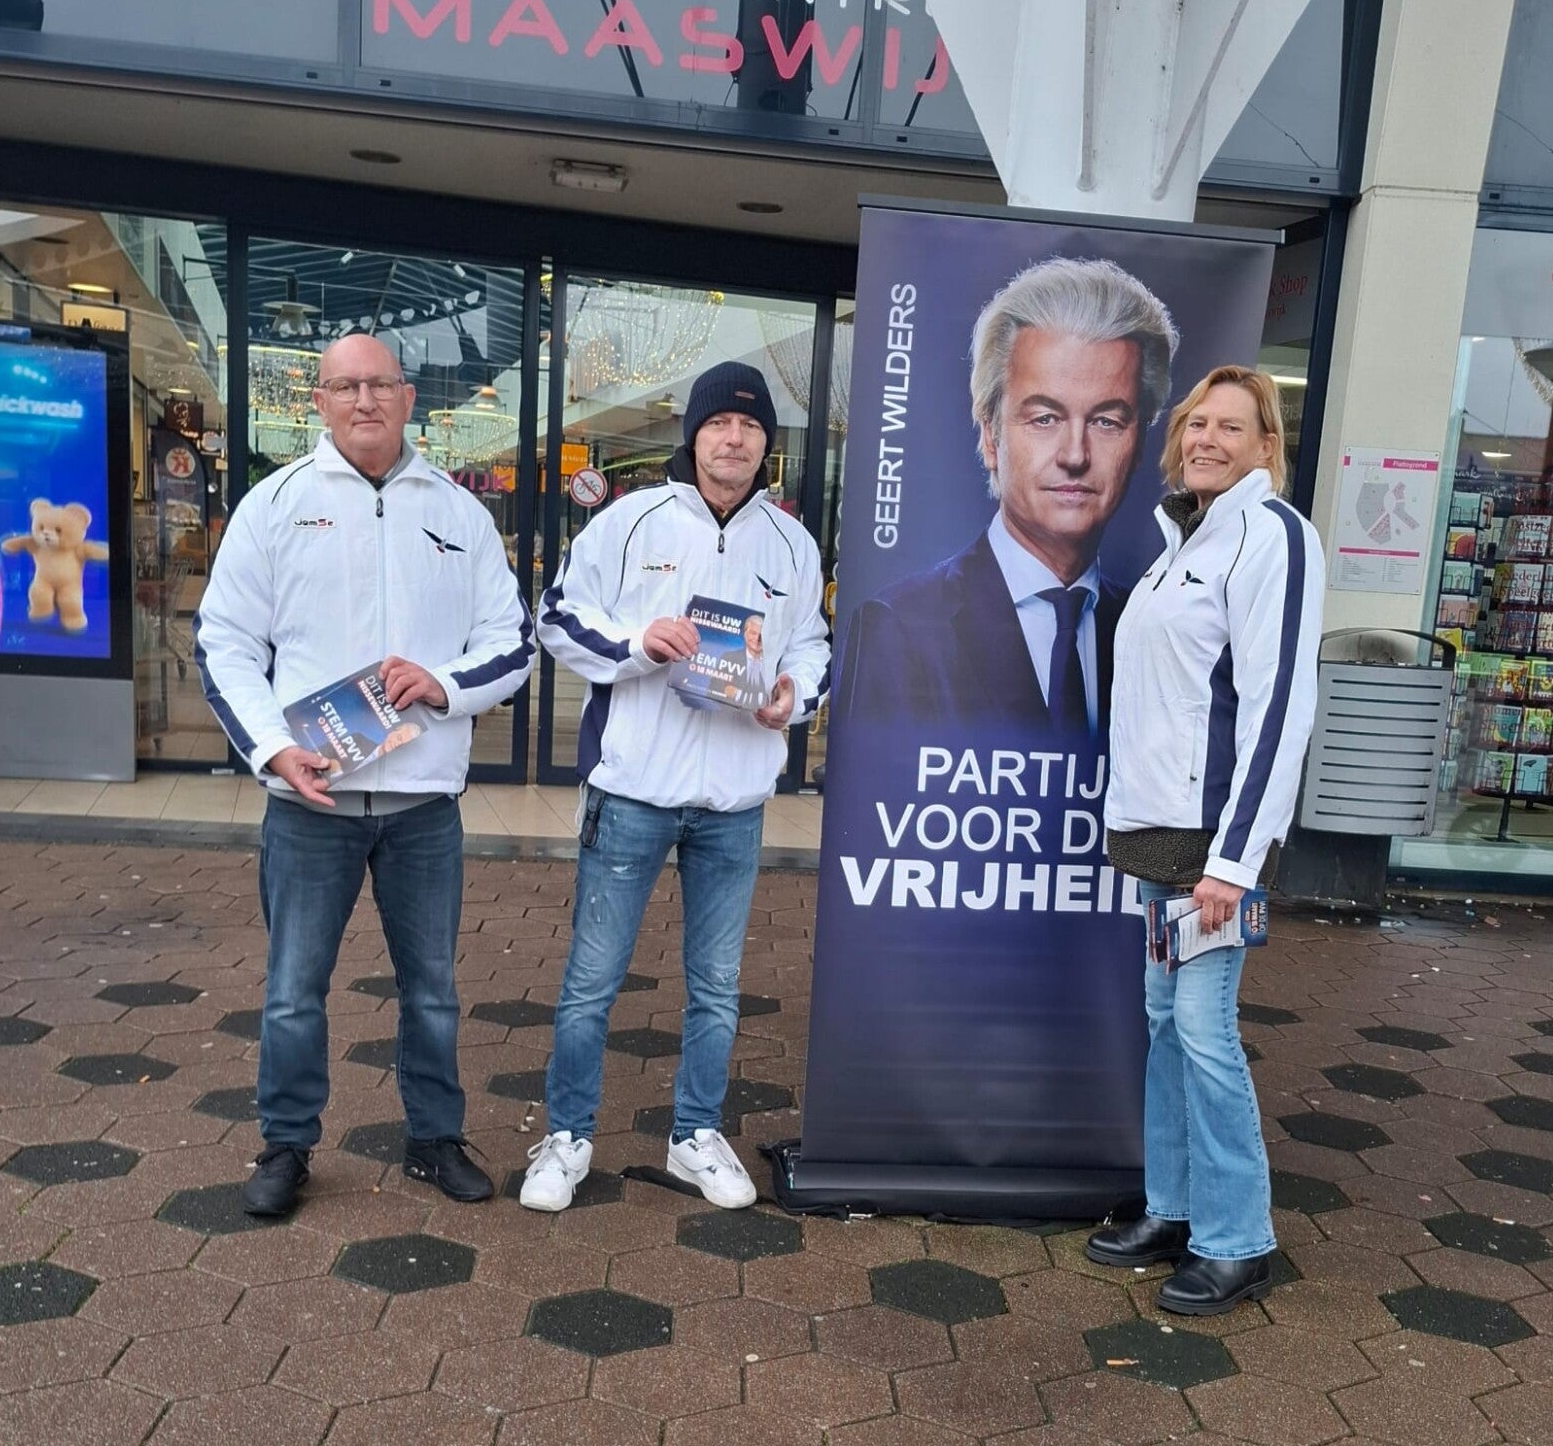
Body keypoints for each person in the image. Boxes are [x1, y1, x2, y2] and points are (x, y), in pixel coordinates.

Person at [196, 334, 535, 1218]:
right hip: (311, 803)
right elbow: (224, 643)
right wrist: (272, 749)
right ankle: (285, 1145)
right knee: (292, 994)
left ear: (409, 398)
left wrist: (444, 684)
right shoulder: (275, 505)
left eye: (379, 384)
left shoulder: (459, 513)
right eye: (344, 386)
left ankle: (433, 1138)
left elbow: (511, 641)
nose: (364, 400)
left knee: (433, 992)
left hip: (422, 804)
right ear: (318, 401)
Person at [524, 361, 830, 1212]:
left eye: (750, 426)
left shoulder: (792, 544)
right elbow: (555, 616)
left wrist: (792, 696)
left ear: (767, 444)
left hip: (733, 802)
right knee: (592, 981)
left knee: (717, 988)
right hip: (631, 792)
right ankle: (567, 1137)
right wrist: (635, 645)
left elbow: (812, 645)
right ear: (692, 435)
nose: (733, 439)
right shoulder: (630, 522)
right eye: (718, 424)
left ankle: (695, 1135)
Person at [1089, 366, 1324, 1314]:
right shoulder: (1175, 542)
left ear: (1265, 445)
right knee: (1163, 1023)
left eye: (1231, 427)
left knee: (1202, 1028)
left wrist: (1234, 861)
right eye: (1196, 425)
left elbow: (1279, 705)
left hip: (1213, 847)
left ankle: (1237, 1240)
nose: (1207, 440)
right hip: (1159, 839)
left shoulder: (1272, 535)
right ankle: (1173, 1208)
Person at [833, 257, 1178, 741]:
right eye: (1044, 419)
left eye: (1106, 421)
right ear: (990, 435)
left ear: (1139, 442)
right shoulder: (900, 628)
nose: (1075, 455)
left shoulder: (1148, 623)